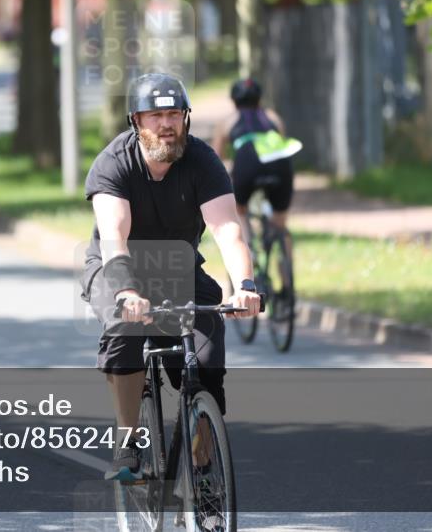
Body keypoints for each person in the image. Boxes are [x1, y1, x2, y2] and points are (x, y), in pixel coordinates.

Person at [81, 73, 261, 481]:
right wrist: (127, 291)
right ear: (136, 121)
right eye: (156, 115)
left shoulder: (202, 161)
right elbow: (114, 236)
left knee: (209, 356)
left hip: (178, 268)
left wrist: (245, 287)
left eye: (174, 114)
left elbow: (227, 229)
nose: (166, 124)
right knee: (123, 331)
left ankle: (201, 466)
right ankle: (127, 441)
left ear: (186, 119)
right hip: (117, 267)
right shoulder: (114, 162)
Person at [212, 78, 298, 247]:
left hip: (247, 164)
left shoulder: (228, 121)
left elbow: (215, 160)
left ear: (234, 100)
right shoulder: (273, 117)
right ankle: (286, 266)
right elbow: (281, 142)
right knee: (280, 222)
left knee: (239, 210)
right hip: (280, 164)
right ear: (259, 99)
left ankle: (247, 247)